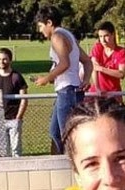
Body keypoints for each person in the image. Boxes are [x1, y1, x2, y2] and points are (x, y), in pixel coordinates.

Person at [33, 5, 90, 154]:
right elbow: (87, 61)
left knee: (67, 136)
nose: (40, 30)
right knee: (55, 133)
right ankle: (58, 164)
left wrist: (47, 78)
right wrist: (86, 80)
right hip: (70, 90)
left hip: (67, 91)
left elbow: (65, 63)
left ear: (49, 23)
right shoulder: (69, 35)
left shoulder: (57, 36)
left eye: (40, 26)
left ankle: (70, 168)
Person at [0, 47, 28, 157]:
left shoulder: (16, 77)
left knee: (15, 151)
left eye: (4, 59)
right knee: (0, 152)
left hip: (13, 118)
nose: (1, 62)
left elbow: (24, 98)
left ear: (10, 60)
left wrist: (18, 117)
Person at [88, 21, 125, 102]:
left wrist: (102, 69)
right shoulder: (98, 47)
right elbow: (94, 68)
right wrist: (98, 88)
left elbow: (121, 74)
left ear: (113, 35)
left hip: (113, 94)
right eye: (100, 36)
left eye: (106, 36)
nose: (103, 40)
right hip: (97, 93)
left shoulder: (121, 52)